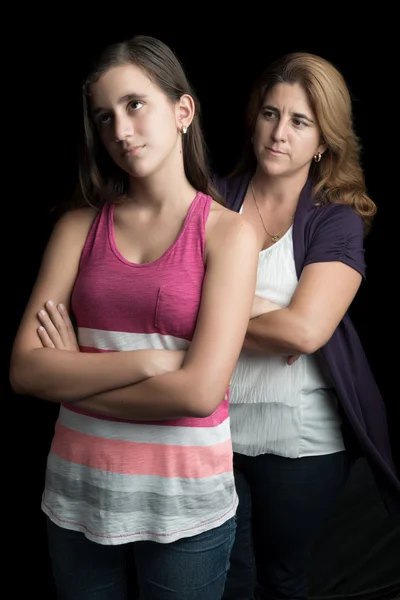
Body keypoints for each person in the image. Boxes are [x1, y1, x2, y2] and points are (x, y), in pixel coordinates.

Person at [9, 35, 259, 600]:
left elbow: (198, 394)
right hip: (78, 494)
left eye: (135, 105)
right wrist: (150, 362)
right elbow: (25, 371)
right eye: (104, 117)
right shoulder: (78, 227)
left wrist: (73, 378)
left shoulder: (228, 234)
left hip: (185, 504)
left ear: (183, 110)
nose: (120, 131)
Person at [211, 52, 400, 599]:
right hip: (209, 433)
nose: (278, 132)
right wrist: (272, 315)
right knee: (224, 580)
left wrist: (215, 306)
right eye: (270, 114)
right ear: (253, 121)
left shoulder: (334, 218)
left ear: (323, 141)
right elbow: (170, 302)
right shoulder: (211, 200)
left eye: (299, 121)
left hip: (298, 446)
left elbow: (306, 333)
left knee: (281, 582)